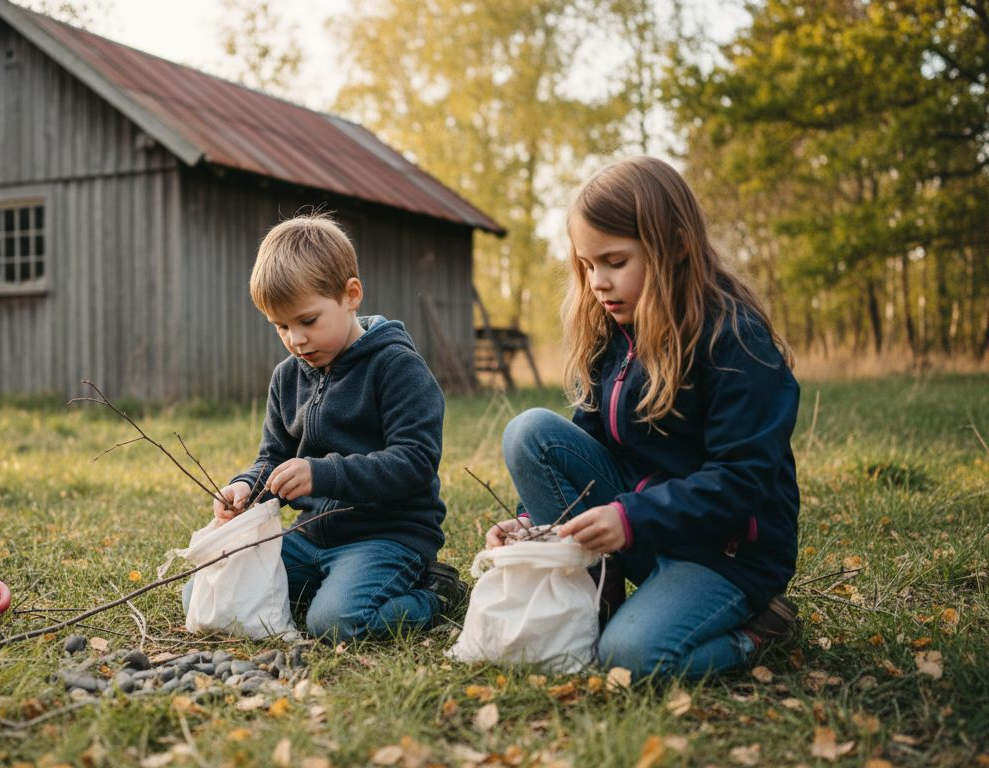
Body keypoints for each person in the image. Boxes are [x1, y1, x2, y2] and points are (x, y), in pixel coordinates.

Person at [486, 156, 800, 679]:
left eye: (614, 261)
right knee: (530, 432)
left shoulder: (736, 342)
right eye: (586, 266)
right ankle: (597, 600)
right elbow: (581, 446)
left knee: (629, 659)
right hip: (640, 532)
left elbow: (742, 481)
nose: (597, 283)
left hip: (723, 554)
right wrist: (531, 524)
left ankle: (755, 632)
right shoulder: (614, 331)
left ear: (675, 246)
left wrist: (631, 519)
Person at [206, 213, 466, 642]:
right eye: (281, 326)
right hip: (310, 537)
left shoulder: (396, 367)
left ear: (351, 295)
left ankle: (434, 593)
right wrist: (245, 488)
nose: (296, 340)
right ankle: (325, 585)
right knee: (222, 593)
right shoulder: (287, 377)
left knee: (335, 623)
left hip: (386, 537)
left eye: (307, 321)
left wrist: (321, 473)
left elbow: (415, 461)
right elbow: (274, 458)